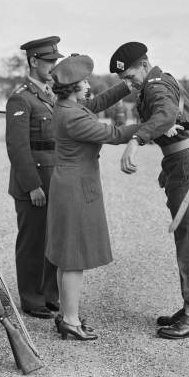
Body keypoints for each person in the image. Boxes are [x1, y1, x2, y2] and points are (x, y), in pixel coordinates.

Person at [110, 41, 189, 339]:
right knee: (186, 234)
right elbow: (167, 118)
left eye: (130, 76)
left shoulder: (154, 85)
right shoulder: (157, 82)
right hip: (180, 159)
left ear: (144, 64)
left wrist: (135, 140)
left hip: (186, 160)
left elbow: (166, 115)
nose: (129, 83)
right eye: (124, 80)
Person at [44, 54, 139, 340]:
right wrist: (152, 129)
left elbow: (96, 105)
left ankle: (65, 314)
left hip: (69, 183)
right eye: (84, 81)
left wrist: (125, 86)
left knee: (65, 256)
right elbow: (115, 133)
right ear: (73, 87)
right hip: (76, 187)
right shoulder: (72, 116)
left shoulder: (66, 106)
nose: (88, 85)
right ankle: (71, 321)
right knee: (74, 258)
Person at [5, 36, 64, 319]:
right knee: (33, 243)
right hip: (34, 184)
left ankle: (50, 294)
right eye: (50, 61)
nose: (54, 66)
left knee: (52, 240)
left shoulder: (51, 96)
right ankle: (31, 297)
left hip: (54, 181)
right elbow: (17, 147)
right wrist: (33, 186)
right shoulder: (21, 97)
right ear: (33, 61)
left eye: (56, 60)